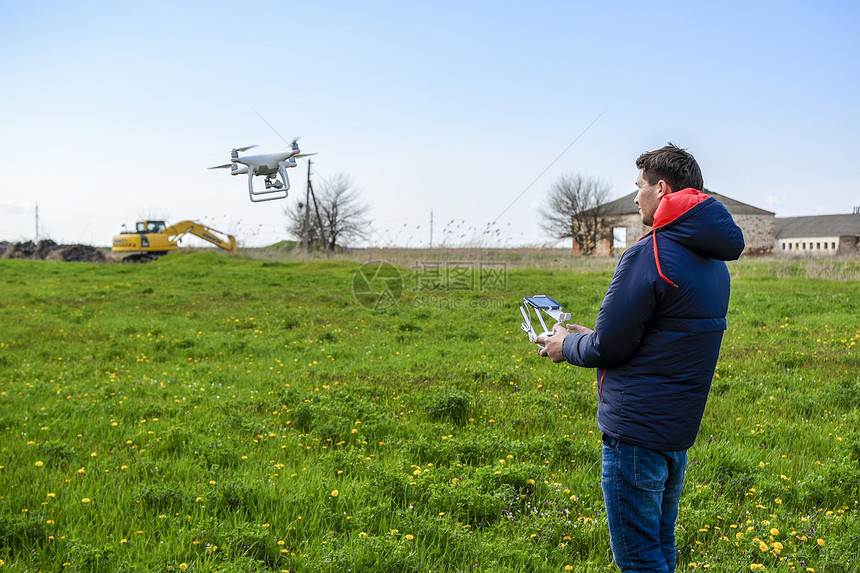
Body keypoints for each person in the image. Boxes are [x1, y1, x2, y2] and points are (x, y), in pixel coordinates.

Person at [536, 143, 745, 572]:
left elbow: (609, 347)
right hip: (674, 434)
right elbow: (660, 336)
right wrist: (592, 335)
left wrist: (565, 345)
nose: (634, 197)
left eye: (639, 187)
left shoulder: (649, 253)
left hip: (635, 434)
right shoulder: (713, 264)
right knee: (660, 545)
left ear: (661, 189)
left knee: (637, 557)